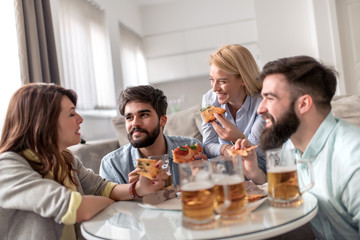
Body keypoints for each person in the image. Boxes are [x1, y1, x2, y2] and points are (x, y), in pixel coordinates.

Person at [0, 83, 167, 240]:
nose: (80, 119)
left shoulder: (66, 159)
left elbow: (102, 188)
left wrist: (137, 188)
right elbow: (74, 208)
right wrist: (109, 203)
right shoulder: (7, 166)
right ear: (44, 121)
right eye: (72, 113)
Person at [235, 55, 360, 239]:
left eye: (269, 98)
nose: (260, 109)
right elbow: (286, 195)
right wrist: (254, 173)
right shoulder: (289, 147)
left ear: (303, 104)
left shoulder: (352, 160)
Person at [99, 85, 206, 186]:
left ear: (162, 121)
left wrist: (206, 174)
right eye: (129, 117)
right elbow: (111, 205)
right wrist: (134, 192)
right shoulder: (112, 165)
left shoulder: (192, 147)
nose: (135, 123)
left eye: (144, 115)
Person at [201, 44, 266, 177]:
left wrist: (237, 137)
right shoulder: (209, 99)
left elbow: (259, 153)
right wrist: (226, 149)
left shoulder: (263, 102)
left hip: (260, 168)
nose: (214, 88)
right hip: (228, 168)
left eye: (222, 81)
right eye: (212, 80)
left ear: (243, 79)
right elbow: (207, 144)